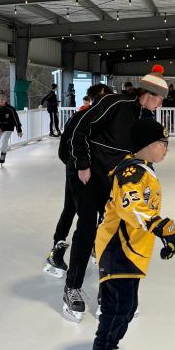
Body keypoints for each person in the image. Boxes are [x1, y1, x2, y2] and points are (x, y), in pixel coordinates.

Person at [77, 118, 175, 350]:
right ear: (146, 146)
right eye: (163, 143)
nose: (167, 149)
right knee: (117, 306)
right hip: (116, 248)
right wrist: (161, 226)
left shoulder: (145, 170)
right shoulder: (131, 171)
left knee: (127, 307)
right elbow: (131, 206)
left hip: (132, 251)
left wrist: (163, 234)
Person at [64, 65, 168, 321]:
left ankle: (108, 291)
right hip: (87, 175)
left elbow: (144, 154)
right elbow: (81, 129)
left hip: (116, 182)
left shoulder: (148, 119)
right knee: (87, 228)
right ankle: (72, 287)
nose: (161, 104)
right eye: (160, 99)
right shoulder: (114, 103)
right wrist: (83, 164)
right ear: (150, 94)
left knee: (113, 233)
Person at [45, 84, 113, 279]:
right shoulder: (79, 118)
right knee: (72, 210)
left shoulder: (110, 121)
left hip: (102, 177)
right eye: (102, 99)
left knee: (105, 211)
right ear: (92, 100)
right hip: (79, 175)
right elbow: (63, 151)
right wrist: (77, 168)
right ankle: (57, 247)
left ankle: (95, 245)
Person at [0, 92, 22, 166]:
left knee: (4, 140)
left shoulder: (11, 109)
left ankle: (3, 154)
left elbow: (16, 120)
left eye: (2, 99)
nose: (1, 100)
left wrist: (19, 130)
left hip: (8, 128)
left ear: (6, 99)